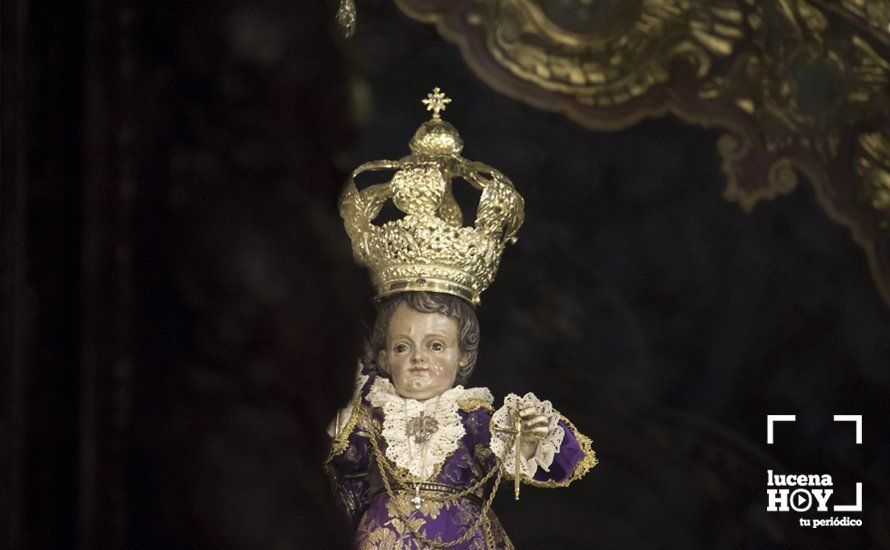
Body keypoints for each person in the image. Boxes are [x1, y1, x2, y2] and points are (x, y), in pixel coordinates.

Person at [328, 89, 596, 548]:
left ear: (462, 354)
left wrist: (532, 434)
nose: (417, 360)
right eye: (401, 346)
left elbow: (562, 462)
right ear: (383, 354)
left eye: (435, 346)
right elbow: (339, 464)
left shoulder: (473, 419)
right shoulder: (370, 417)